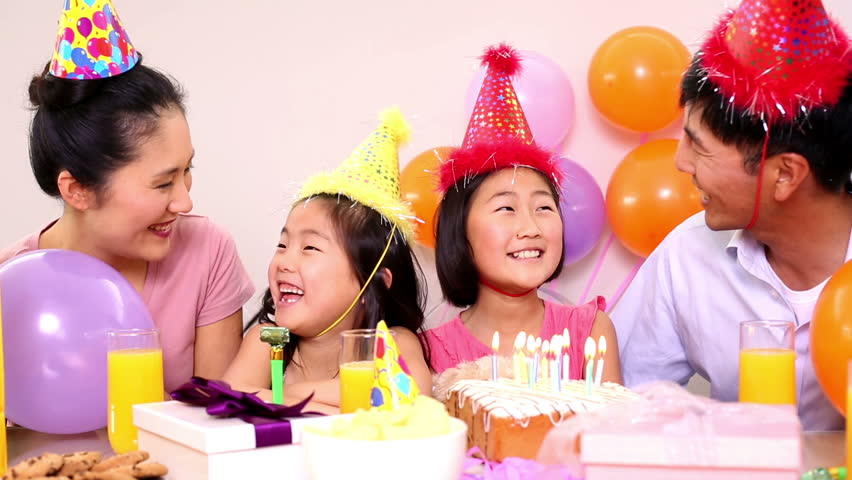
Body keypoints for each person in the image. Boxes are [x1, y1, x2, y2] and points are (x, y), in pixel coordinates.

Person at [612, 0, 852, 430]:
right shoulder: (688, 253)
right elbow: (620, 404)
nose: (680, 163)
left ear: (785, 174)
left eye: (698, 146)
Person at [0, 0, 254, 392]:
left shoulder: (207, 250)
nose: (184, 202)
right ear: (78, 190)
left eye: (188, 171)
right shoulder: (10, 288)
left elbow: (215, 419)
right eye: (163, 183)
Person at [423, 44, 621, 384]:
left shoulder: (590, 332)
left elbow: (608, 435)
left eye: (543, 207)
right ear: (461, 231)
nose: (530, 227)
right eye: (506, 208)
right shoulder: (428, 352)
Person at [223, 108, 432, 412]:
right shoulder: (268, 340)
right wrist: (330, 400)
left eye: (309, 248)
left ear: (372, 282)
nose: (284, 261)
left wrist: (287, 394)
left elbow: (407, 394)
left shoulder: (391, 343)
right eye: (282, 244)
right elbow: (231, 398)